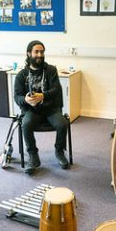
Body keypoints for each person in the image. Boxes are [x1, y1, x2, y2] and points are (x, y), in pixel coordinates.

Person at [13, 40, 70, 174]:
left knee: (62, 124)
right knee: (25, 124)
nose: (40, 54)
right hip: (32, 110)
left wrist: (42, 96)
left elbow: (56, 89)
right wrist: (26, 100)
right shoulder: (22, 75)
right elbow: (17, 96)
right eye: (36, 52)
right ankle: (33, 156)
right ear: (29, 54)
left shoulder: (51, 70)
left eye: (42, 52)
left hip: (51, 109)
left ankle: (59, 151)